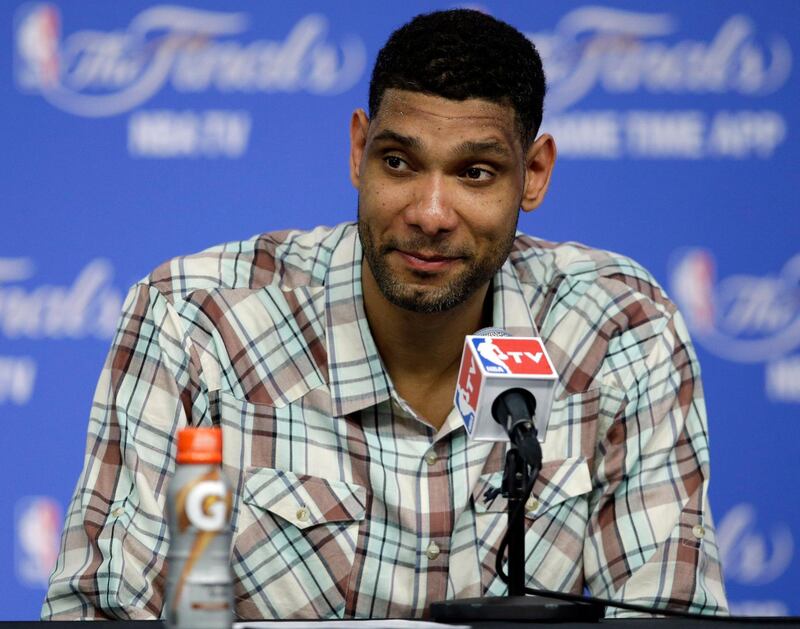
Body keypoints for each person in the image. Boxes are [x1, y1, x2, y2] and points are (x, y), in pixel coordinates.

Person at [42, 9, 728, 620]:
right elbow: (101, 611)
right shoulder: (197, 321)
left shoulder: (618, 328)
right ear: (357, 150)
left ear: (536, 173)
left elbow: (666, 612)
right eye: (399, 162)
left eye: (476, 173)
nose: (430, 213)